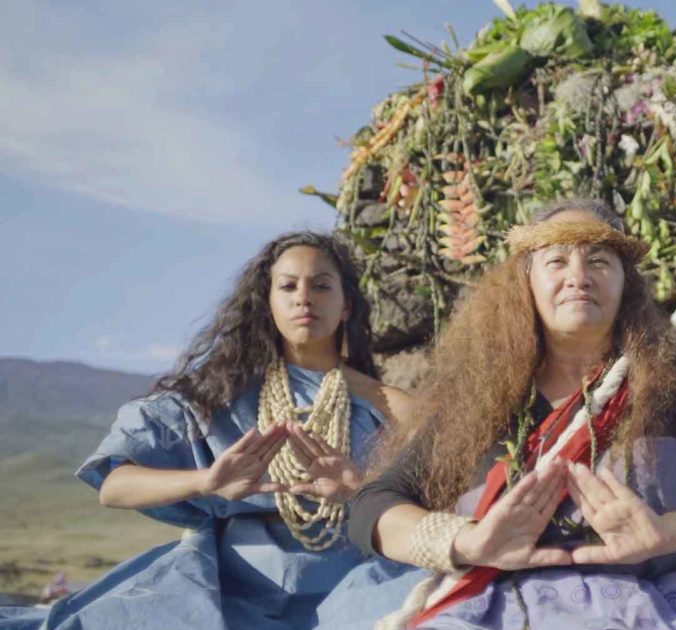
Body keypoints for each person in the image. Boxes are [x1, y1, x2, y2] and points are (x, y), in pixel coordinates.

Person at [329, 198, 676, 630]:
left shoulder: (674, 392)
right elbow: (374, 505)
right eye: (557, 260)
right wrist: (468, 541)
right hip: (497, 607)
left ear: (626, 284)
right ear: (526, 284)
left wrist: (672, 531)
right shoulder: (479, 406)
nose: (578, 275)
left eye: (599, 261)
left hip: (664, 602)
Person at [17, 231, 413, 630]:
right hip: (235, 585)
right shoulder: (218, 394)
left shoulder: (387, 404)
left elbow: (450, 490)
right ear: (269, 303)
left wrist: (360, 487)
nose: (303, 297)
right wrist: (207, 482)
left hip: (357, 581)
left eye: (322, 286)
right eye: (288, 286)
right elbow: (114, 486)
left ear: (346, 305)